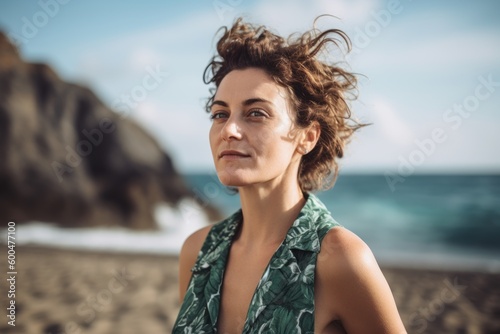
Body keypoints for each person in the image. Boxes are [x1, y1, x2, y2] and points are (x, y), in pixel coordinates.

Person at [172, 17, 406, 334]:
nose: (229, 130)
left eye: (256, 113)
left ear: (307, 136)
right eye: (220, 114)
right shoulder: (198, 253)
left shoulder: (340, 259)